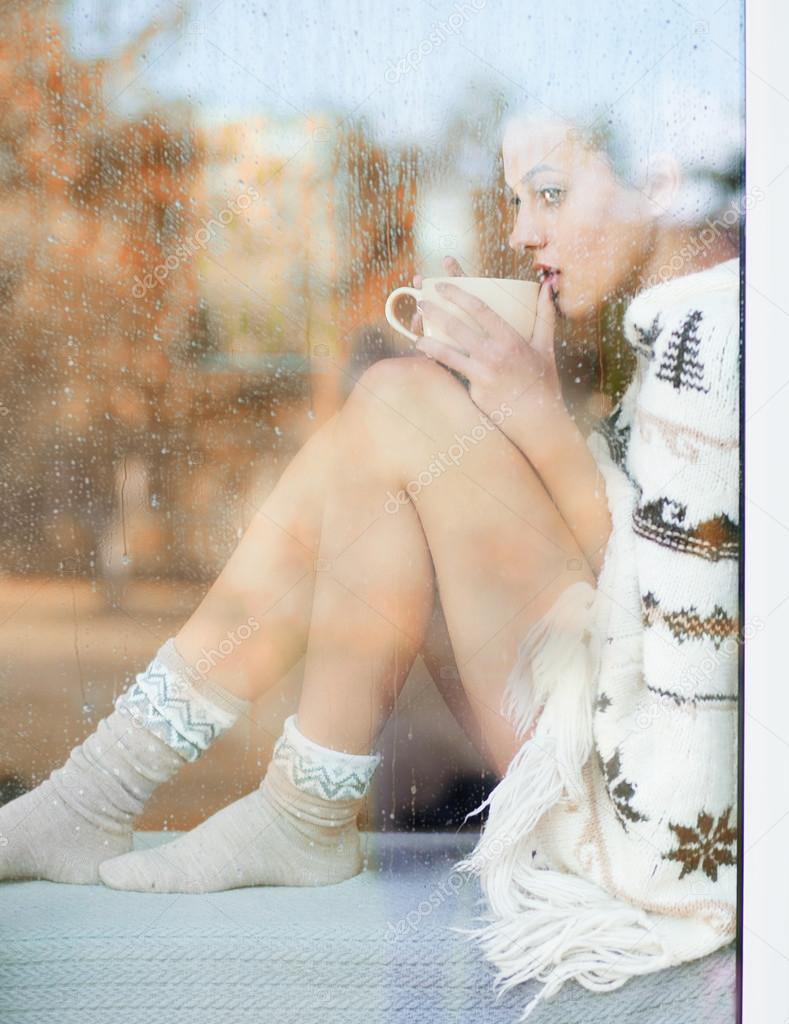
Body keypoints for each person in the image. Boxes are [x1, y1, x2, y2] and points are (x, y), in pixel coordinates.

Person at [0, 98, 740, 1017]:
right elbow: (633, 548)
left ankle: (194, 803)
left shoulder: (724, 330)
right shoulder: (677, 321)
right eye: (516, 200)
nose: (522, 230)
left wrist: (535, 417)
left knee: (396, 404)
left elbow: (689, 616)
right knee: (398, 430)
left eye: (549, 193)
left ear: (660, 185)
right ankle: (220, 804)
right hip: (610, 750)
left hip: (657, 817)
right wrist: (512, 406)